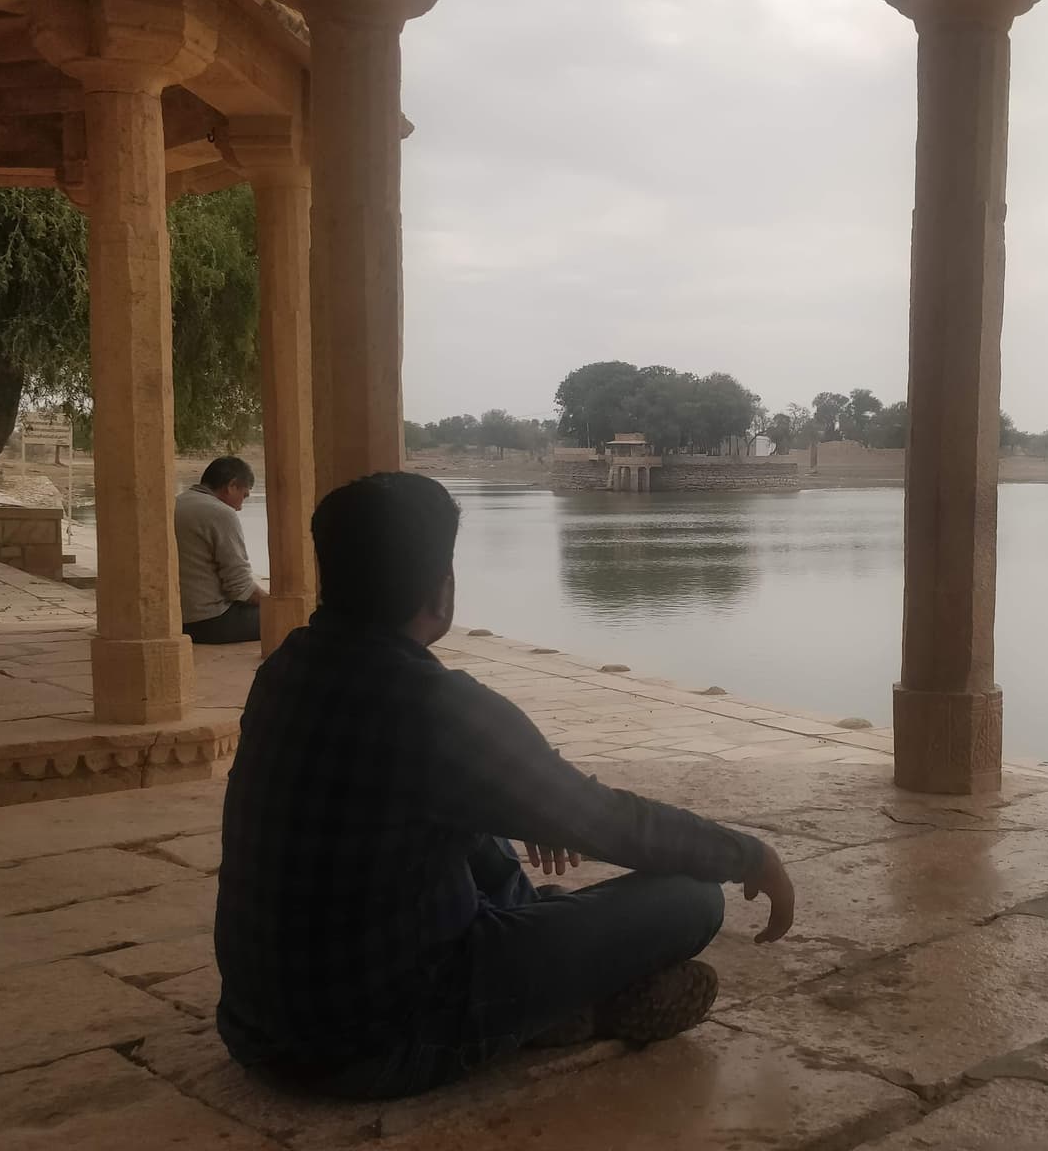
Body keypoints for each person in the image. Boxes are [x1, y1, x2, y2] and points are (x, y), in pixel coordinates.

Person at [214, 471, 795, 1100]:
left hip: (257, 1029)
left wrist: (532, 810)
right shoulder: (436, 708)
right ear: (442, 589)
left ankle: (540, 965)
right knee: (692, 898)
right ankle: (563, 1012)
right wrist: (748, 855)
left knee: (472, 822)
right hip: (381, 1043)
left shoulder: (285, 668)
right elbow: (605, 822)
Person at [177, 456, 264, 644]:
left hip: (177, 619)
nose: (241, 507)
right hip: (210, 621)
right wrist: (274, 603)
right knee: (292, 617)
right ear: (232, 486)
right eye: (244, 496)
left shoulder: (176, 503)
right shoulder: (221, 513)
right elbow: (240, 588)